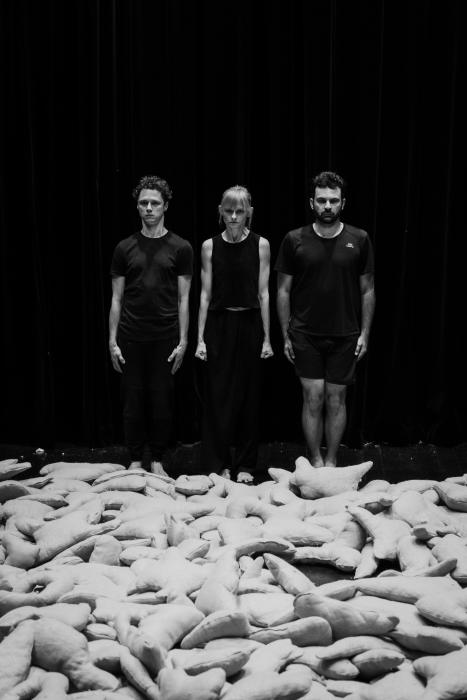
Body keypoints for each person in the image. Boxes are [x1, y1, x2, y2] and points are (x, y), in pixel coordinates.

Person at [275, 171, 375, 467]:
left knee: (336, 399)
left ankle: (331, 462)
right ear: (312, 203)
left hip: (345, 334)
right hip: (305, 333)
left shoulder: (359, 239)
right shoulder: (294, 239)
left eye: (333, 200)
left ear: (343, 203)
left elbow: (368, 290)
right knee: (313, 397)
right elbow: (282, 290)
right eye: (321, 200)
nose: (327, 206)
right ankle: (316, 461)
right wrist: (286, 334)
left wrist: (365, 333)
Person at [109, 175, 193, 475]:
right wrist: (112, 340)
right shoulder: (124, 248)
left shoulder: (181, 247)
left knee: (161, 401)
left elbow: (184, 298)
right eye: (143, 203)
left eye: (154, 203)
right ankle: (135, 458)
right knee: (132, 401)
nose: (148, 208)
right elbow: (116, 298)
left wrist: (184, 341)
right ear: (137, 206)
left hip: (165, 337)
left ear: (165, 206)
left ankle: (157, 458)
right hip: (131, 336)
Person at [195, 185, 273, 483]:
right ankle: (219, 463)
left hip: (250, 323)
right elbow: (205, 294)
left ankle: (245, 465)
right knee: (218, 397)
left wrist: (267, 338)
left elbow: (264, 293)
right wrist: (200, 339)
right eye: (228, 211)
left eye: (239, 211)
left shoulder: (261, 245)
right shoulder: (209, 246)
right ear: (221, 212)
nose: (234, 217)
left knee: (249, 398)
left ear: (249, 213)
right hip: (219, 324)